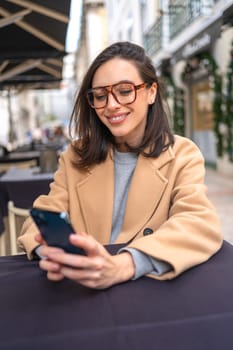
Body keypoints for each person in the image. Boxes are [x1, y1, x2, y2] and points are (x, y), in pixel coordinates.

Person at [18, 41, 222, 289]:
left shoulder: (182, 153)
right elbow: (39, 219)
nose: (111, 105)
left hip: (147, 287)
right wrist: (53, 253)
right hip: (82, 288)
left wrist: (124, 265)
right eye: (100, 96)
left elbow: (198, 222)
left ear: (151, 92)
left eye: (125, 91)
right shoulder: (76, 155)